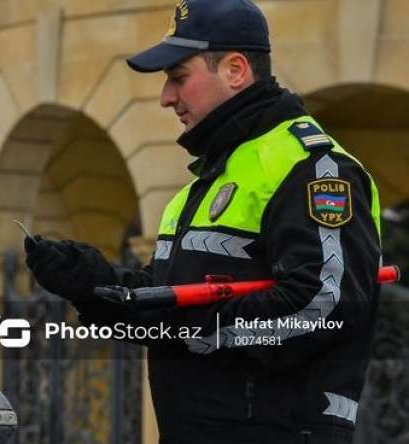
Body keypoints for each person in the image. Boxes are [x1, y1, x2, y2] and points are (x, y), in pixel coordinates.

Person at [23, 1, 382, 443]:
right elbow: (168, 308)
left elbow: (322, 307)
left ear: (235, 69)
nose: (166, 97)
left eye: (178, 77)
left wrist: (192, 328)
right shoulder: (206, 181)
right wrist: (94, 286)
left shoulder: (314, 168)